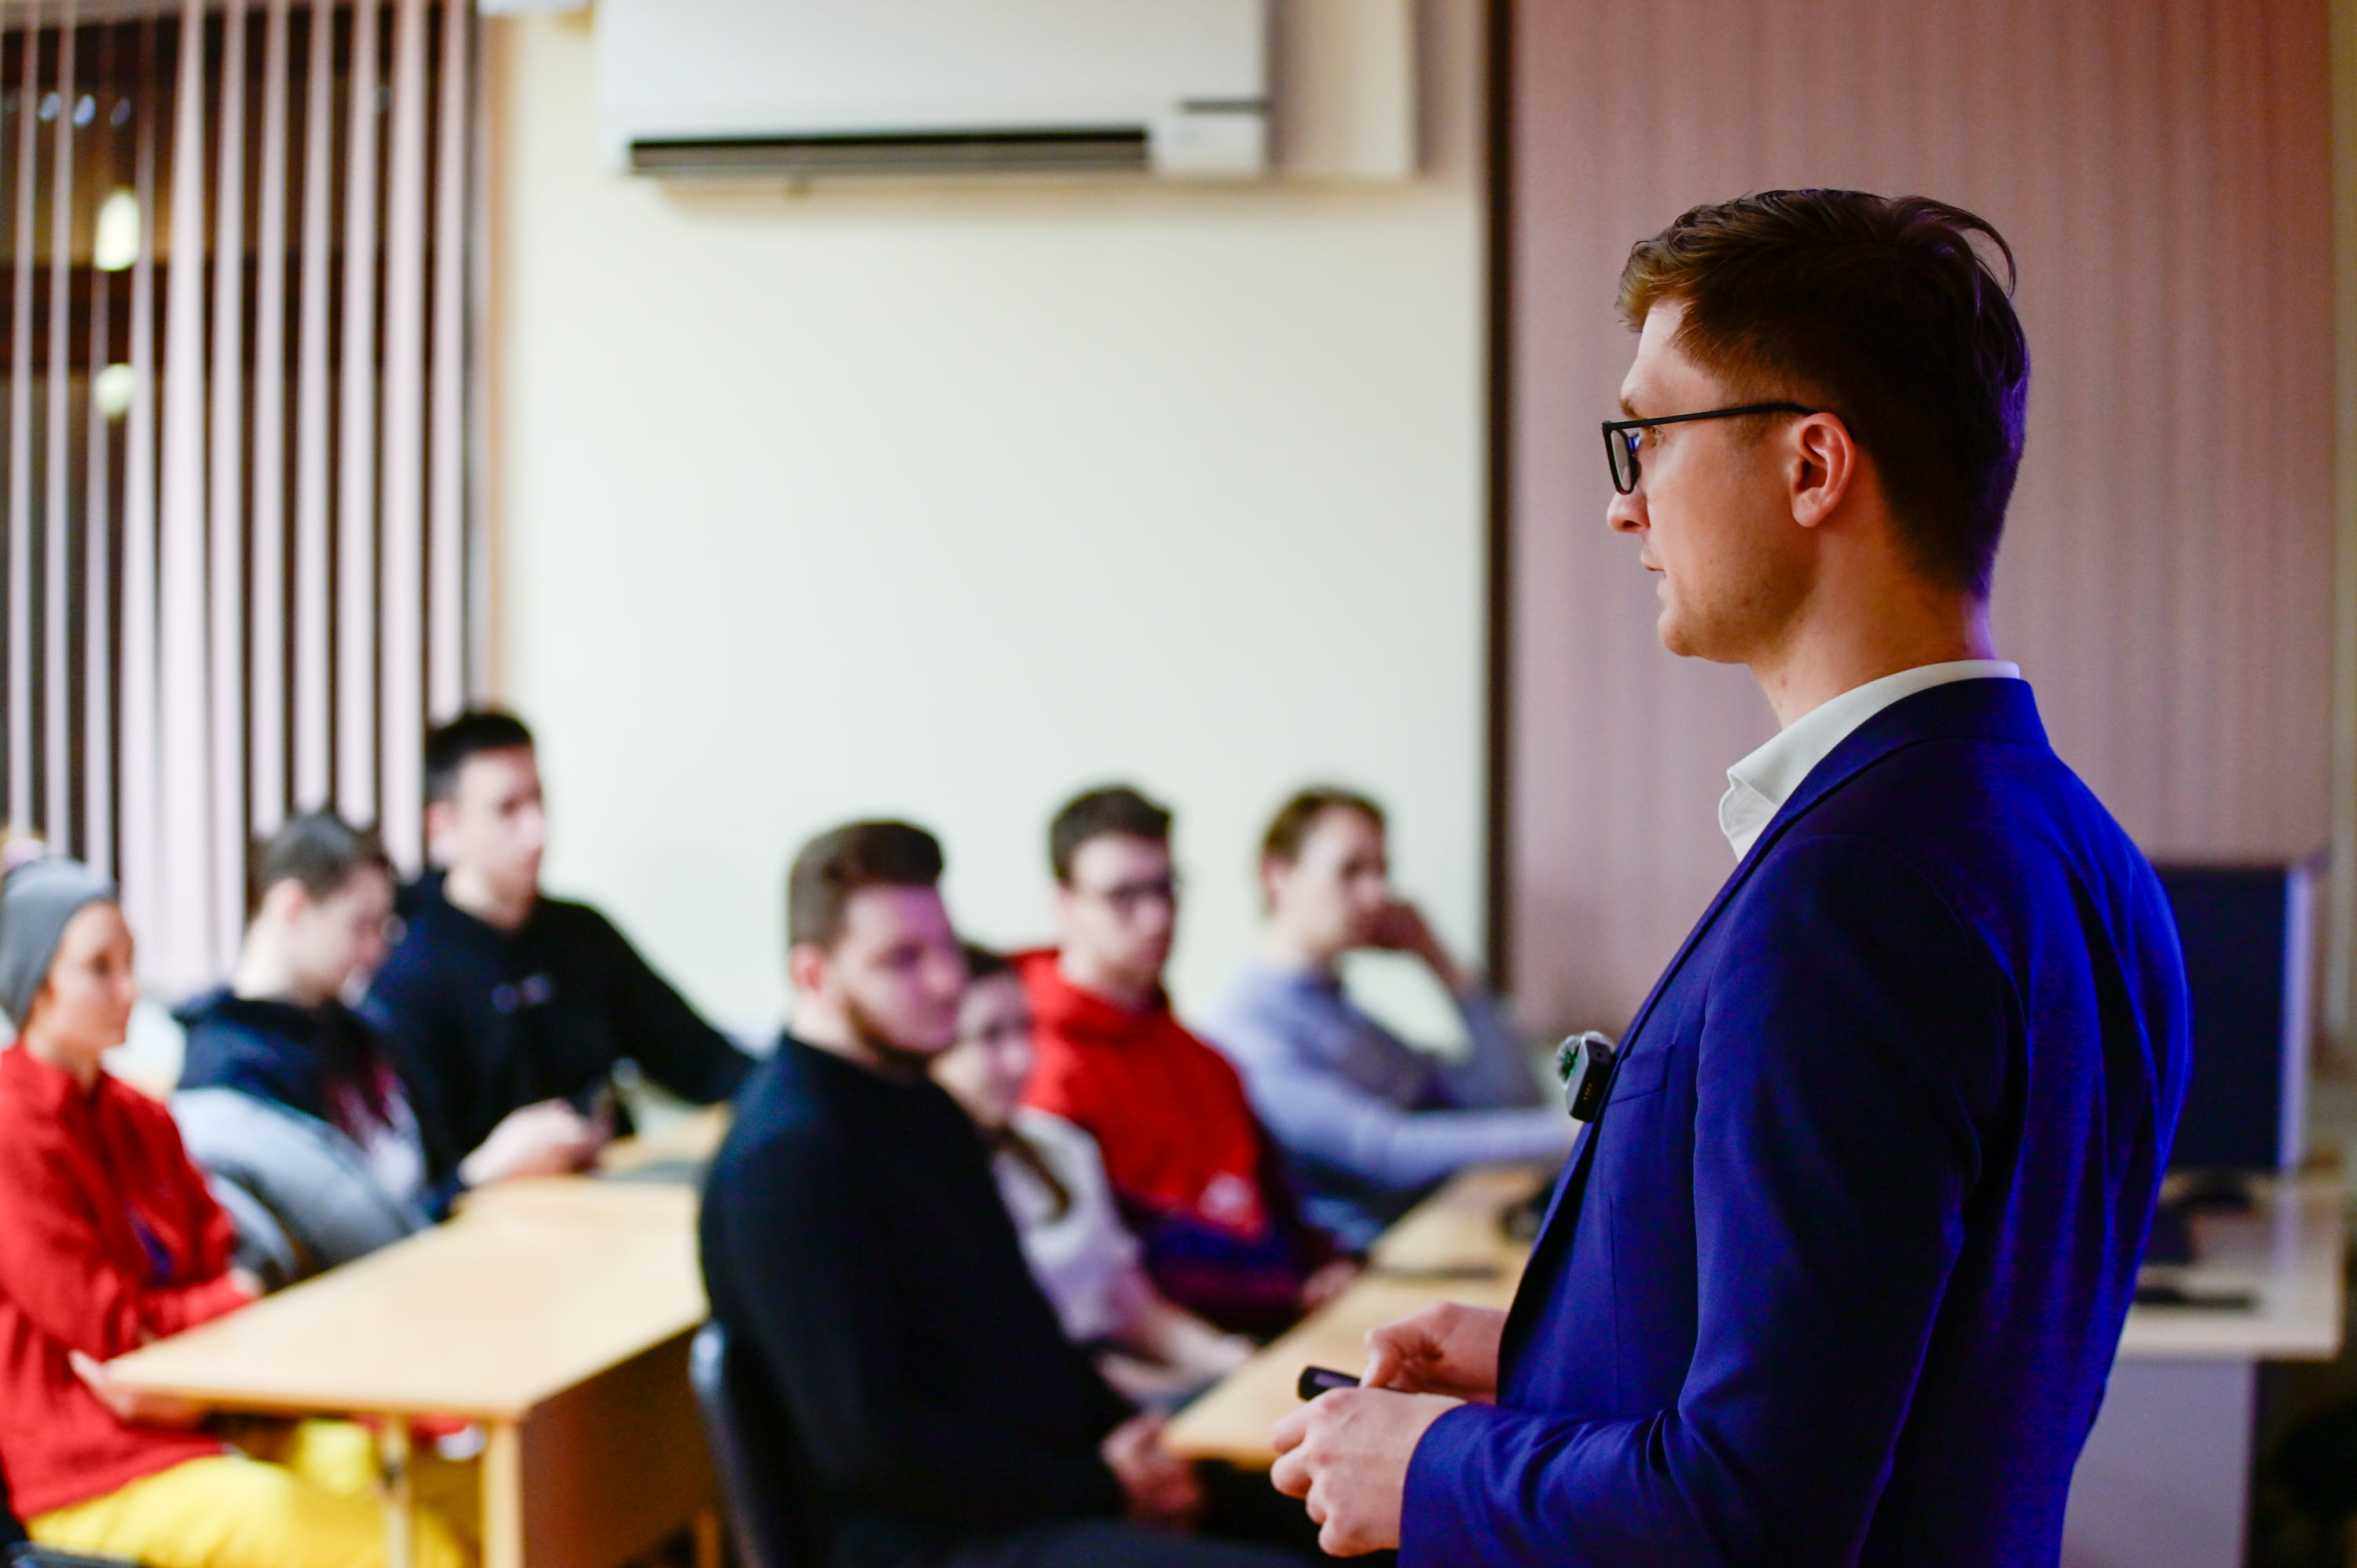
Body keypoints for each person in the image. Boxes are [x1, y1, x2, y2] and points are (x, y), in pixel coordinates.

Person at [1271, 191, 2190, 1565]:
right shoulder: (2084, 854)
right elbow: (1914, 1383)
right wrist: (1547, 1358)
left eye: (1646, 435)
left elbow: (1756, 1516)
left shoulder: (1852, 891)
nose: (1621, 503)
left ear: (1813, 464)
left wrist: (1432, 1466)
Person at [700, 821, 1313, 1568]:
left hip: (1036, 1490)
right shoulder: (788, 1160)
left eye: (946, 948)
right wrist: (1100, 1488)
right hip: (919, 1539)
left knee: (1365, 1522)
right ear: (813, 977)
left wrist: (1132, 1444)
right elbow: (871, 1442)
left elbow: (1022, 1332)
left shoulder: (922, 1103)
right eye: (901, 960)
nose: (945, 982)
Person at [0, 854, 470, 1567]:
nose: (129, 989)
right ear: (34, 983)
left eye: (131, 963)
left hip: (221, 1419)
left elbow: (222, 1255)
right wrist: (226, 1301)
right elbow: (112, 1335)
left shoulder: (140, 1115)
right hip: (99, 1468)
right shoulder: (13, 1128)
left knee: (472, 1492)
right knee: (416, 1550)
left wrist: (212, 1307)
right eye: (99, 969)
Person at [174, 812, 599, 1285]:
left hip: (439, 1265)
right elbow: (334, 1242)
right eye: (359, 925)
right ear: (292, 906)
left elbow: (427, 1174)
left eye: (382, 928)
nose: (375, 950)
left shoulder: (357, 1028)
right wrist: (479, 1175)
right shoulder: (230, 1073)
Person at [1016, 786, 1349, 1339]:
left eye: (1166, 887)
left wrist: (1324, 1267)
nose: (1156, 917)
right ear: (1064, 905)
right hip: (1186, 1351)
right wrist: (1291, 1290)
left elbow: (1280, 1201)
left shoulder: (1204, 1058)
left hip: (1282, 1322)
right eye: (1124, 896)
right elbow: (1118, 1270)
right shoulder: (1035, 1069)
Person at [364, 709, 752, 1185]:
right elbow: (419, 1188)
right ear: (445, 826)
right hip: (492, 1216)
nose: (536, 832)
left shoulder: (581, 935)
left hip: (607, 1196)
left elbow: (705, 1063)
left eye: (538, 800)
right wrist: (491, 1167)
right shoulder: (407, 977)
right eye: (507, 809)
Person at [1201, 788, 1571, 1250]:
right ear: (1277, 876)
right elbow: (1388, 1152)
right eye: (1351, 871)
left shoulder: (1345, 1015)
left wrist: (1441, 963)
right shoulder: (1247, 1027)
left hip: (1439, 1241)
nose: (1376, 896)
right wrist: (1577, 1134)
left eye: (1381, 872)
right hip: (1368, 1270)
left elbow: (1511, 1099)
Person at [933, 943, 1254, 1408]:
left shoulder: (1061, 1145)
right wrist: (1180, 1395)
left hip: (1129, 1379)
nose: (1021, 1059)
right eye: (990, 1036)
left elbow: (1132, 1306)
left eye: (1025, 1028)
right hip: (1055, 1405)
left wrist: (1226, 1359)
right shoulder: (931, 1190)